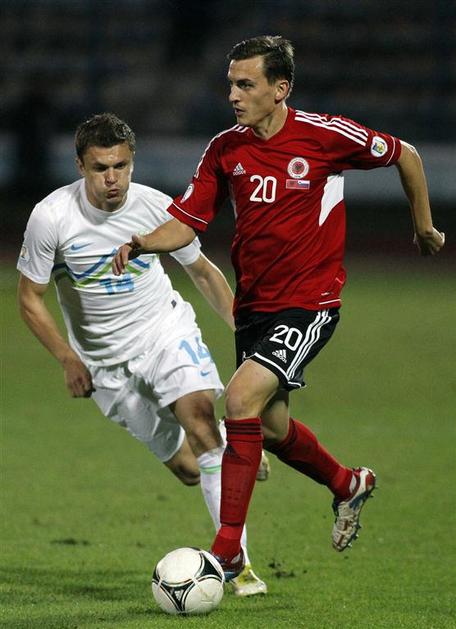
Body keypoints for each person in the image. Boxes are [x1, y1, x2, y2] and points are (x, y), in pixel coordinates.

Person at [112, 36, 445, 579]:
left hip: (309, 302)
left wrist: (423, 227)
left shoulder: (325, 136)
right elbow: (188, 221)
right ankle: (347, 483)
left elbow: (405, 153)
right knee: (269, 427)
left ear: (280, 88)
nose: (233, 96)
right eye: (230, 84)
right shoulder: (225, 149)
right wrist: (145, 242)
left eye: (246, 85)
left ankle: (225, 552)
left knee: (239, 399)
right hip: (254, 307)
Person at [17, 112, 269, 596]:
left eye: (121, 166)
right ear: (80, 166)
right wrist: (69, 359)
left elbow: (203, 272)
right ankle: (230, 447)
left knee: (199, 421)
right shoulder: (51, 218)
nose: (112, 179)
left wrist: (249, 335)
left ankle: (237, 566)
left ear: (132, 162)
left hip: (163, 332)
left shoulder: (156, 207)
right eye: (100, 168)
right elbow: (30, 299)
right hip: (104, 364)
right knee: (190, 470)